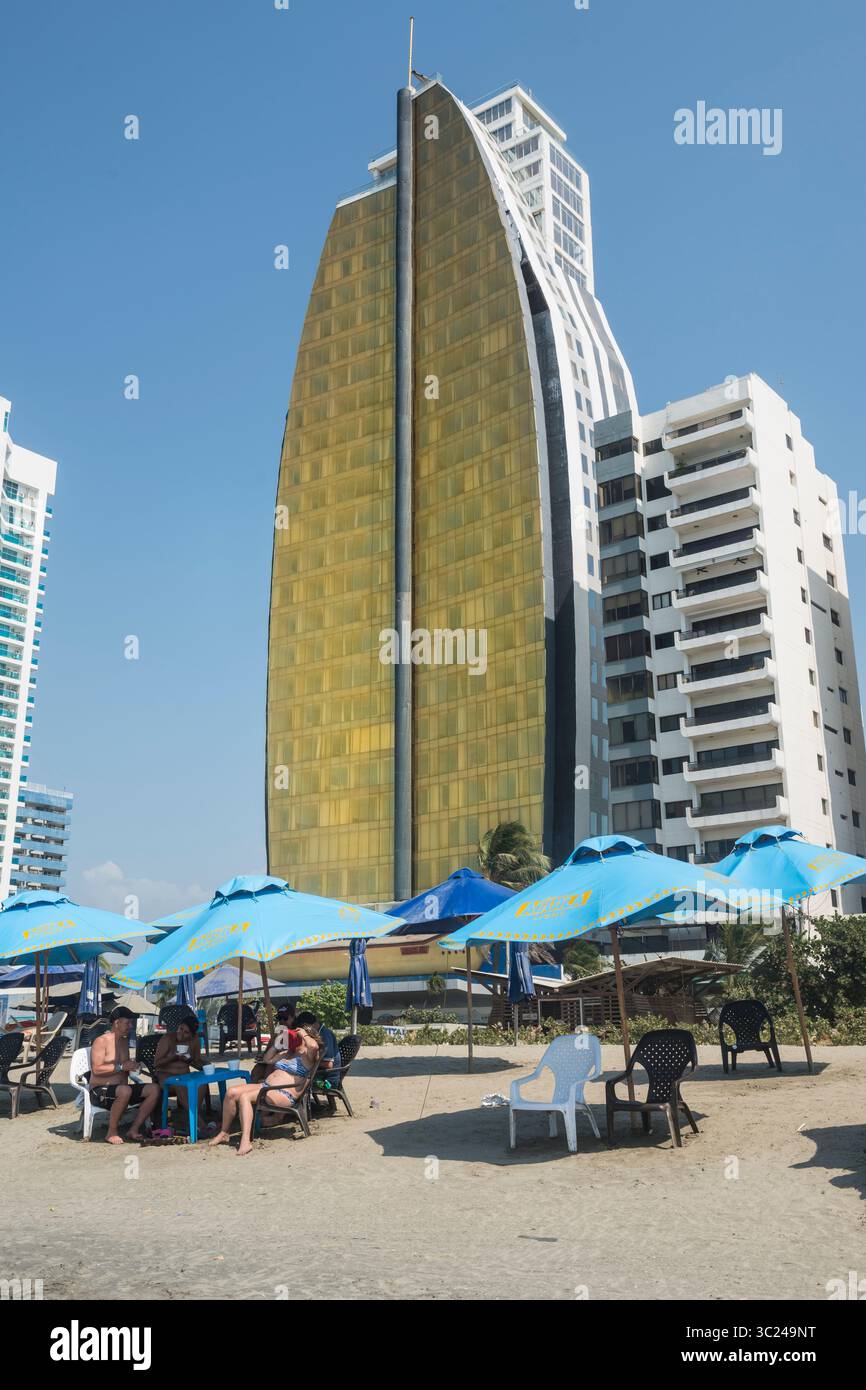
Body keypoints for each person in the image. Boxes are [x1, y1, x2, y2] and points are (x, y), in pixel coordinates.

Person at [208, 1023, 323, 1156]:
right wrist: (278, 1043)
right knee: (231, 1092)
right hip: (267, 1087)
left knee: (245, 1097)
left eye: (299, 1038)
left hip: (284, 1093)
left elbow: (314, 1045)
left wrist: (303, 1033)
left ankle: (246, 1141)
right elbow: (268, 1059)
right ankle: (224, 1132)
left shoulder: (308, 1056)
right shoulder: (288, 1052)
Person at [89, 1006, 161, 1144]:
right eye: (128, 1023)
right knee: (125, 1090)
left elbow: (124, 1066)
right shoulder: (101, 1041)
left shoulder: (123, 1041)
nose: (131, 1025)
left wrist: (134, 1065)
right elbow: (96, 1069)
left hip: (122, 1089)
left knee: (154, 1089)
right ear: (117, 1023)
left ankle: (133, 1129)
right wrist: (121, 1066)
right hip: (99, 1091)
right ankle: (111, 1132)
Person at [153, 1011, 205, 1135]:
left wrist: (191, 1060)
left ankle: (191, 1118)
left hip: (184, 1075)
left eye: (186, 1032)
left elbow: (196, 1062)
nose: (180, 1033)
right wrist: (172, 1057)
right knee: (180, 1086)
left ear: (192, 1035)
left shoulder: (194, 1041)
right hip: (165, 1075)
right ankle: (200, 1123)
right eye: (180, 1029)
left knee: (202, 1084)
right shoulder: (167, 1039)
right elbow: (157, 1064)